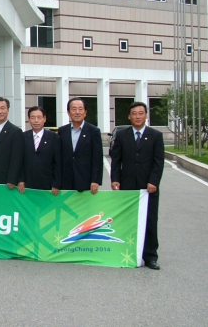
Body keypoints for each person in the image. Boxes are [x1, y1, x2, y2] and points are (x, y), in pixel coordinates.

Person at [110, 101, 164, 270]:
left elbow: (158, 161)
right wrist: (115, 179)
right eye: (134, 113)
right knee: (127, 220)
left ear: (146, 116)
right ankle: (128, 252)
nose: (137, 116)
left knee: (150, 221)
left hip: (148, 187)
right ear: (129, 116)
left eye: (141, 113)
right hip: (127, 186)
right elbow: (116, 160)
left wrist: (153, 181)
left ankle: (150, 256)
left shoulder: (155, 135)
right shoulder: (122, 134)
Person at [58, 97, 103, 193]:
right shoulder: (62, 131)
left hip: (85, 180)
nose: (77, 112)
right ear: (68, 113)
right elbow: (58, 157)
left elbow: (97, 158)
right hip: (65, 180)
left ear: (85, 112)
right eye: (74, 109)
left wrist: (95, 180)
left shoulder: (94, 131)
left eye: (80, 109)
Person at [23, 106, 61, 194]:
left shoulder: (54, 138)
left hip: (47, 184)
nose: (36, 121)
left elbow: (58, 162)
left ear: (44, 119)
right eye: (33, 117)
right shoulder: (23, 137)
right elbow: (19, 161)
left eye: (39, 117)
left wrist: (56, 183)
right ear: (29, 119)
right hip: (27, 184)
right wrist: (21, 179)